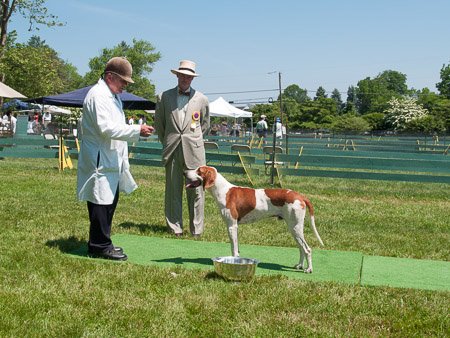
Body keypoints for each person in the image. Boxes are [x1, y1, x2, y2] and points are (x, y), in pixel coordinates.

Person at [77, 56, 154, 261]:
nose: (125, 86)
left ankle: (104, 242)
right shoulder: (98, 95)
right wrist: (137, 130)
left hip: (109, 156)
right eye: (123, 81)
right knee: (100, 200)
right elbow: (106, 128)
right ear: (110, 76)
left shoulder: (111, 95)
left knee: (109, 198)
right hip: (99, 157)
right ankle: (99, 245)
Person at [154, 60, 210, 238]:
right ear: (177, 75)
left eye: (189, 76)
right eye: (183, 75)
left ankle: (196, 230)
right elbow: (159, 124)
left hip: (194, 151)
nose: (185, 78)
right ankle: (175, 227)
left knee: (196, 191)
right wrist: (169, 141)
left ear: (193, 78)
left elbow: (205, 125)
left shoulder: (201, 99)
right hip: (172, 149)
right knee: (173, 191)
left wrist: (192, 139)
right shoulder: (163, 97)